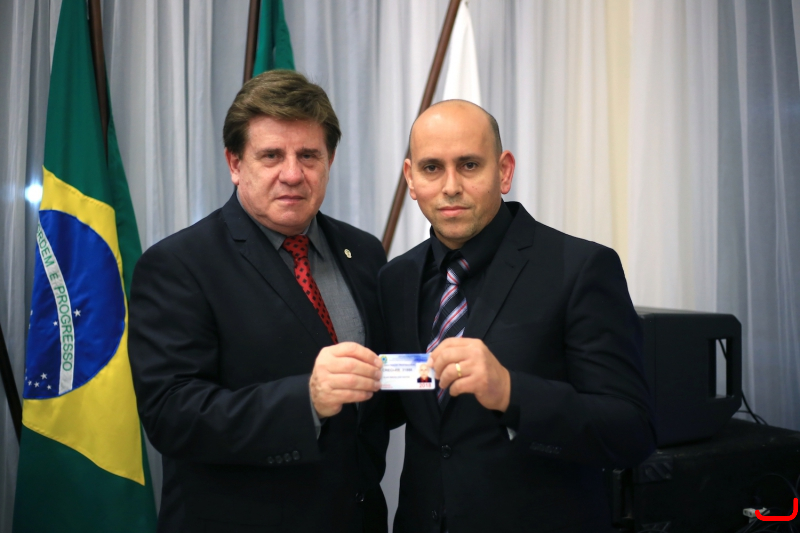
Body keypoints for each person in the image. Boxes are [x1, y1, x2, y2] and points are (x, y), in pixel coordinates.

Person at [377, 100, 656, 533]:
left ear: (504, 171)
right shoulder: (396, 278)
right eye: (432, 168)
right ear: (411, 179)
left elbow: (631, 432)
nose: (451, 186)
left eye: (469, 165)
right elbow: (406, 404)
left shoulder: (580, 268)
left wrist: (511, 392)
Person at [128, 70, 389, 533]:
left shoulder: (363, 251)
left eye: (308, 155)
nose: (292, 174)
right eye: (271, 156)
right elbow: (172, 415)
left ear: (329, 160)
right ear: (234, 163)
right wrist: (306, 400)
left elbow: (373, 398)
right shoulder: (178, 264)